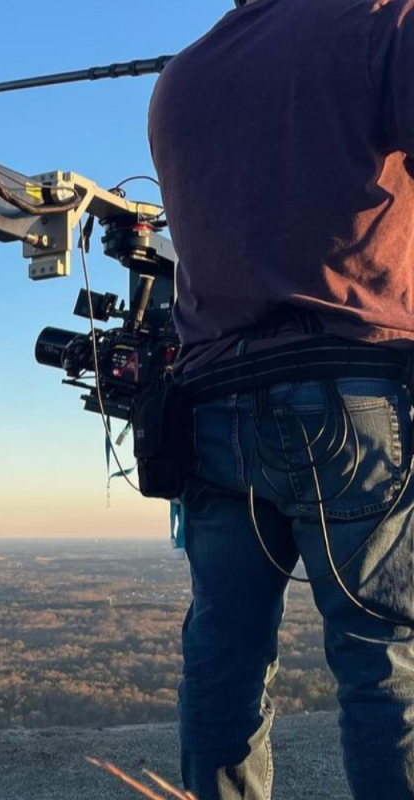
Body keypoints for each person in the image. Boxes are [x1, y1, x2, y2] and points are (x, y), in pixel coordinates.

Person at [149, 1, 414, 797]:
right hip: (349, 394)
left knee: (224, 663)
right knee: (384, 664)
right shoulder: (382, 21)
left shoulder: (180, 78)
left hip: (209, 407)